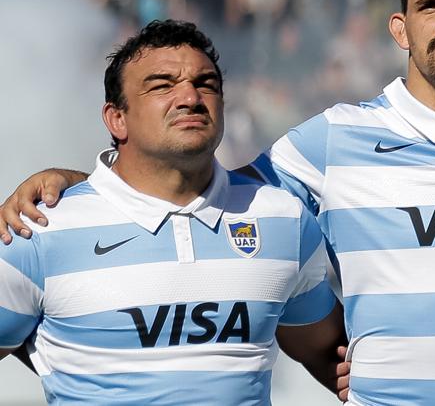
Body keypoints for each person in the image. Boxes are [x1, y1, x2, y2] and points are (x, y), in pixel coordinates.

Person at [2, 0, 435, 404]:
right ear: (399, 29)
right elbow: (182, 189)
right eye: (429, 5)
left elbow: (209, 194)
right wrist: (87, 189)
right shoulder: (331, 140)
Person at [0, 20, 349, 404]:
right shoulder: (40, 229)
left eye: (206, 84)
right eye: (162, 85)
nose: (190, 97)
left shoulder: (283, 219)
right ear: (117, 118)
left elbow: (330, 355)